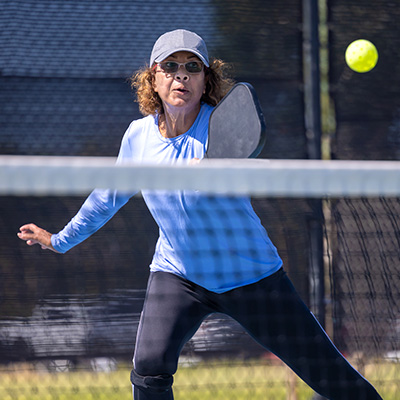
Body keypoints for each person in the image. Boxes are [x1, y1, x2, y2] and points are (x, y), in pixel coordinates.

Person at [18, 29, 382, 400]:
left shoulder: (222, 126)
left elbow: (254, 168)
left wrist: (215, 171)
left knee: (335, 380)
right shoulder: (138, 137)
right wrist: (60, 240)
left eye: (193, 67)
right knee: (149, 370)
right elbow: (107, 197)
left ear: (206, 79)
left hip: (252, 277)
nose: (181, 75)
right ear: (153, 79)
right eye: (170, 67)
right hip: (178, 276)